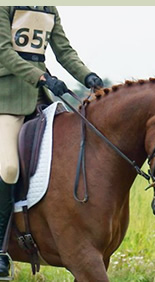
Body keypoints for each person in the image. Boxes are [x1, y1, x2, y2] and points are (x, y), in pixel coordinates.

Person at [0, 6, 103, 278]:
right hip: (6, 100)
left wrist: (87, 76)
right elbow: (4, 52)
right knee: (9, 167)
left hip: (40, 99)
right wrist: (42, 76)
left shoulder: (48, 8)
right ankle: (0, 250)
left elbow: (64, 51)